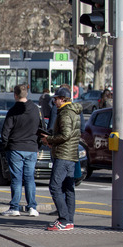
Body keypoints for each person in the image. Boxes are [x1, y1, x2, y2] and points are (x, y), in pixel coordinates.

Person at [40, 87, 83, 231]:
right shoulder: (74, 112)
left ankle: (64, 219)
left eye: (56, 98)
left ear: (63, 99)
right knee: (68, 188)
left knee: (54, 186)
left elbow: (65, 135)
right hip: (71, 154)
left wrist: (49, 140)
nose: (54, 101)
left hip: (63, 154)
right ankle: (69, 220)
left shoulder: (65, 113)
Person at [0, 84, 42, 217]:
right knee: (30, 178)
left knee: (16, 179)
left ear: (15, 95)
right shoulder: (35, 109)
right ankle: (32, 207)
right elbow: (41, 129)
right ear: (27, 94)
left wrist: (6, 146)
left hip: (16, 147)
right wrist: (37, 146)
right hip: (31, 148)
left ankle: (15, 207)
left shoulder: (13, 111)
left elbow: (5, 131)